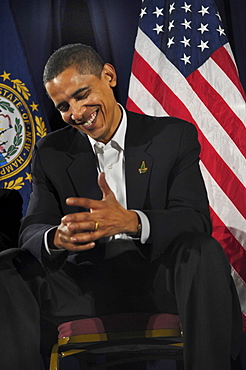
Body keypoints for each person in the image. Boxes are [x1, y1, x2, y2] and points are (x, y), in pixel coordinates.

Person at [0, 43, 241, 370]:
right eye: (63, 106)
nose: (76, 112)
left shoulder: (172, 136)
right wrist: (57, 237)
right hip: (86, 283)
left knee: (203, 251)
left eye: (82, 94)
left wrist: (132, 222)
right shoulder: (51, 152)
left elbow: (193, 220)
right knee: (8, 266)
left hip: (160, 279)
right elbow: (31, 229)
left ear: (109, 76)